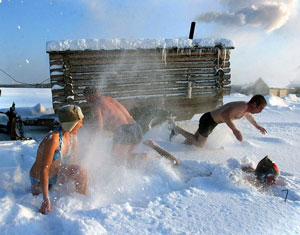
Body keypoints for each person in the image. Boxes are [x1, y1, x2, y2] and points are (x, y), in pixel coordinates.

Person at [29, 105, 88, 214]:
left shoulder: (72, 136)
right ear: (71, 124)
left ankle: (82, 204)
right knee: (43, 195)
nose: (81, 125)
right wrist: (46, 200)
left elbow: (73, 162)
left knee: (82, 172)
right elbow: (44, 169)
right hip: (39, 180)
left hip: (56, 174)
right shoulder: (54, 139)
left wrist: (75, 177)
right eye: (79, 122)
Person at [170, 94, 267, 148]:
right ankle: (177, 130)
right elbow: (224, 114)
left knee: (193, 141)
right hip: (208, 120)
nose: (261, 111)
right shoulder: (242, 106)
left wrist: (258, 127)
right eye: (260, 108)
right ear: (254, 104)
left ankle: (177, 147)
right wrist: (234, 130)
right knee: (200, 144)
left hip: (211, 121)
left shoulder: (246, 110)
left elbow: (249, 117)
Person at [83, 87, 143, 160]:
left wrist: (91, 142)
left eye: (86, 98)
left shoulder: (96, 105)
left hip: (124, 130)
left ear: (90, 96)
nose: (86, 100)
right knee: (124, 157)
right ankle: (150, 157)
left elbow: (99, 126)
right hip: (136, 128)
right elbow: (126, 116)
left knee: (115, 159)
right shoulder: (109, 99)